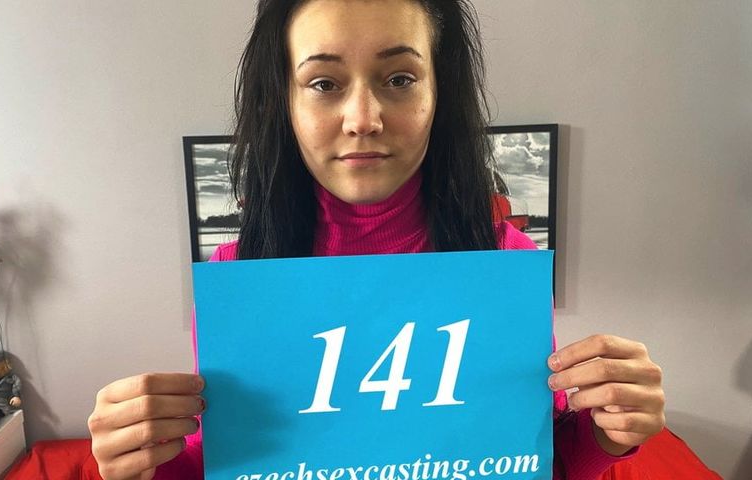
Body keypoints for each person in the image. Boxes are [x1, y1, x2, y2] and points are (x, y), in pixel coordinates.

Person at [87, 1, 666, 479]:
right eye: (323, 83)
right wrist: (144, 463)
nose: (363, 118)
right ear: (284, 101)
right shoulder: (238, 274)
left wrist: (610, 432)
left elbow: (535, 459)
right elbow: (233, 463)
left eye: (399, 79)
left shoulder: (505, 259)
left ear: (439, 92)